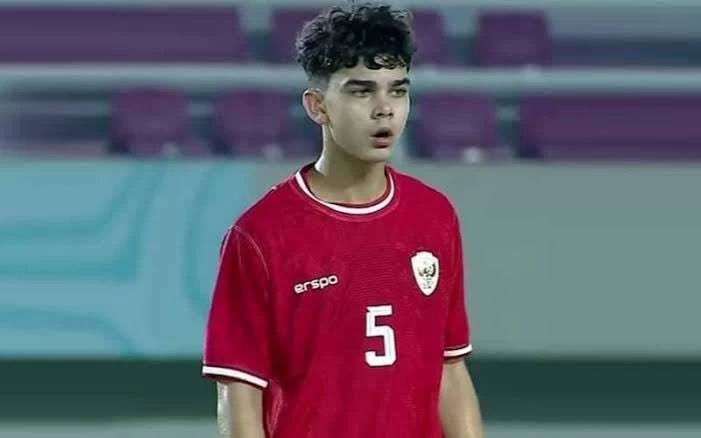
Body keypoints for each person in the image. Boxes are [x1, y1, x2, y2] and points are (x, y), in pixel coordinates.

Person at [201, 3, 484, 437]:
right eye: (361, 91)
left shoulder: (435, 215)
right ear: (318, 107)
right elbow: (239, 394)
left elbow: (449, 368)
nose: (384, 109)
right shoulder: (259, 235)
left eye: (397, 91)